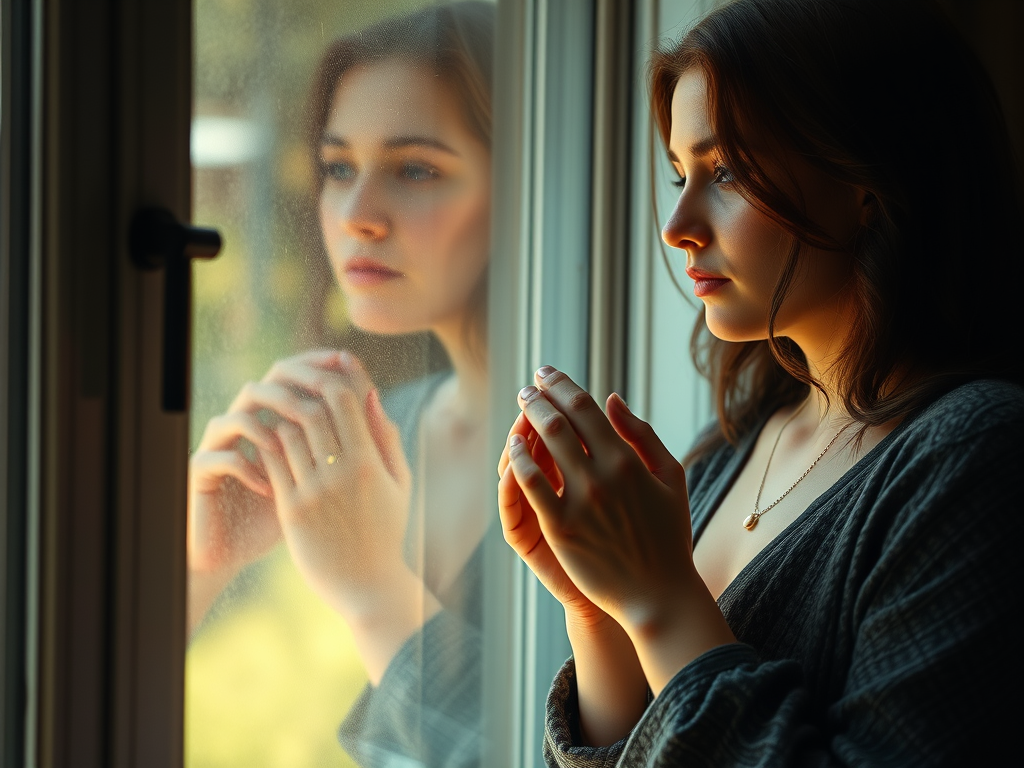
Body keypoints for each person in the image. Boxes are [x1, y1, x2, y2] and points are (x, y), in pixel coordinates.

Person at [497, 0, 1023, 764]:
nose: (677, 222)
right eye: (680, 173)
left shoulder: (981, 456)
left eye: (728, 171)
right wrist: (602, 614)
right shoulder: (730, 449)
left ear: (864, 181)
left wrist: (659, 599)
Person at [187, 3, 495, 765]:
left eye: (415, 169)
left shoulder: (618, 457)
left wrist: (373, 591)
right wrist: (197, 569)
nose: (357, 216)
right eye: (337, 169)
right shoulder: (380, 435)